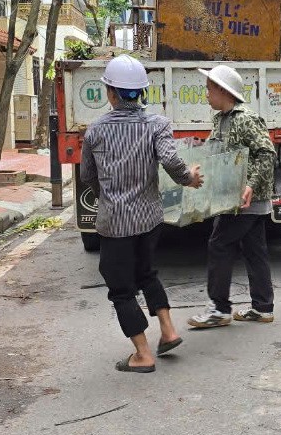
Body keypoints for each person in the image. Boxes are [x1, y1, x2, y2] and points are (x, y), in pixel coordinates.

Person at [80, 55, 204, 373]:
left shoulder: (95, 132)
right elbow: (170, 160)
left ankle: (143, 354)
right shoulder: (157, 124)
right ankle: (168, 330)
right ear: (141, 93)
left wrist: (105, 196)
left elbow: (87, 177)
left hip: (115, 223)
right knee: (147, 273)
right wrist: (188, 178)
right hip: (149, 218)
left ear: (110, 93)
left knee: (121, 288)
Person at [188, 65, 277, 328]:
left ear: (223, 91)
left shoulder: (245, 118)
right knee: (254, 250)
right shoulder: (221, 119)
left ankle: (219, 309)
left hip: (243, 202)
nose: (206, 95)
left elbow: (267, 153)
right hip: (233, 199)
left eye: (209, 89)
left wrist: (250, 185)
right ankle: (262, 308)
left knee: (219, 245)